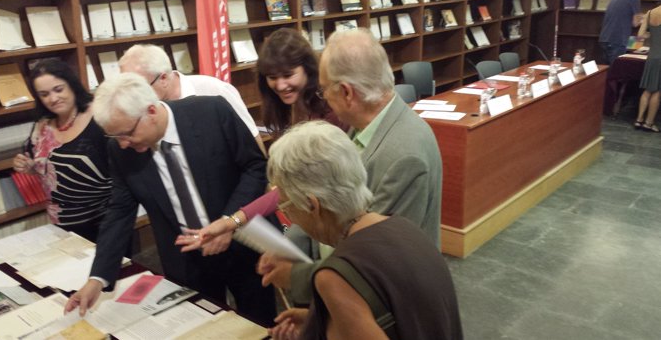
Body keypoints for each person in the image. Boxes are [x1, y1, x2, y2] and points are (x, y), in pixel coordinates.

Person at [181, 28, 443, 305]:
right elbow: (327, 204)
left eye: (324, 88)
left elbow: (373, 260)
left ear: (346, 92)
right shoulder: (364, 129)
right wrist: (281, 245)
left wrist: (297, 277)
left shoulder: (403, 155)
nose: (323, 96)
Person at [64, 73, 275, 325]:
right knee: (204, 327)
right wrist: (97, 279)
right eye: (114, 137)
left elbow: (254, 167)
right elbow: (120, 210)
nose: (122, 144)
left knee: (259, 323)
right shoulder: (122, 150)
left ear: (151, 111)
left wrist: (229, 224)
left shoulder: (212, 111)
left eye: (126, 134)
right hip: (188, 257)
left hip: (245, 243)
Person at [263, 121, 462, 340]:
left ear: (312, 205)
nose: (291, 219)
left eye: (286, 207)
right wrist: (319, 320)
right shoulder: (404, 228)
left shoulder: (334, 276)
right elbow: (406, 313)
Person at [12, 60, 110, 243]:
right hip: (60, 224)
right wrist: (29, 166)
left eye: (58, 89)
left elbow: (121, 172)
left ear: (72, 85)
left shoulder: (99, 118)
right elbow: (45, 167)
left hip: (103, 223)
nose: (53, 99)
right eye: (44, 94)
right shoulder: (42, 125)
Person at [118, 44, 267, 156]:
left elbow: (252, 139)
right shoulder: (139, 111)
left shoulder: (214, 90)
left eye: (139, 88)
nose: (134, 96)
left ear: (163, 78)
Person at [599, 0, 644, 65]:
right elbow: (635, 23)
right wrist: (645, 20)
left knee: (605, 70)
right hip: (618, 39)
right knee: (616, 70)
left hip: (604, 38)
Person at [634, 6, 661, 132]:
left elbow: (640, 35)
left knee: (647, 90)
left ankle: (639, 120)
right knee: (657, 92)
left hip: (652, 56)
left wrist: (653, 34)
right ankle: (649, 123)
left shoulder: (650, 12)